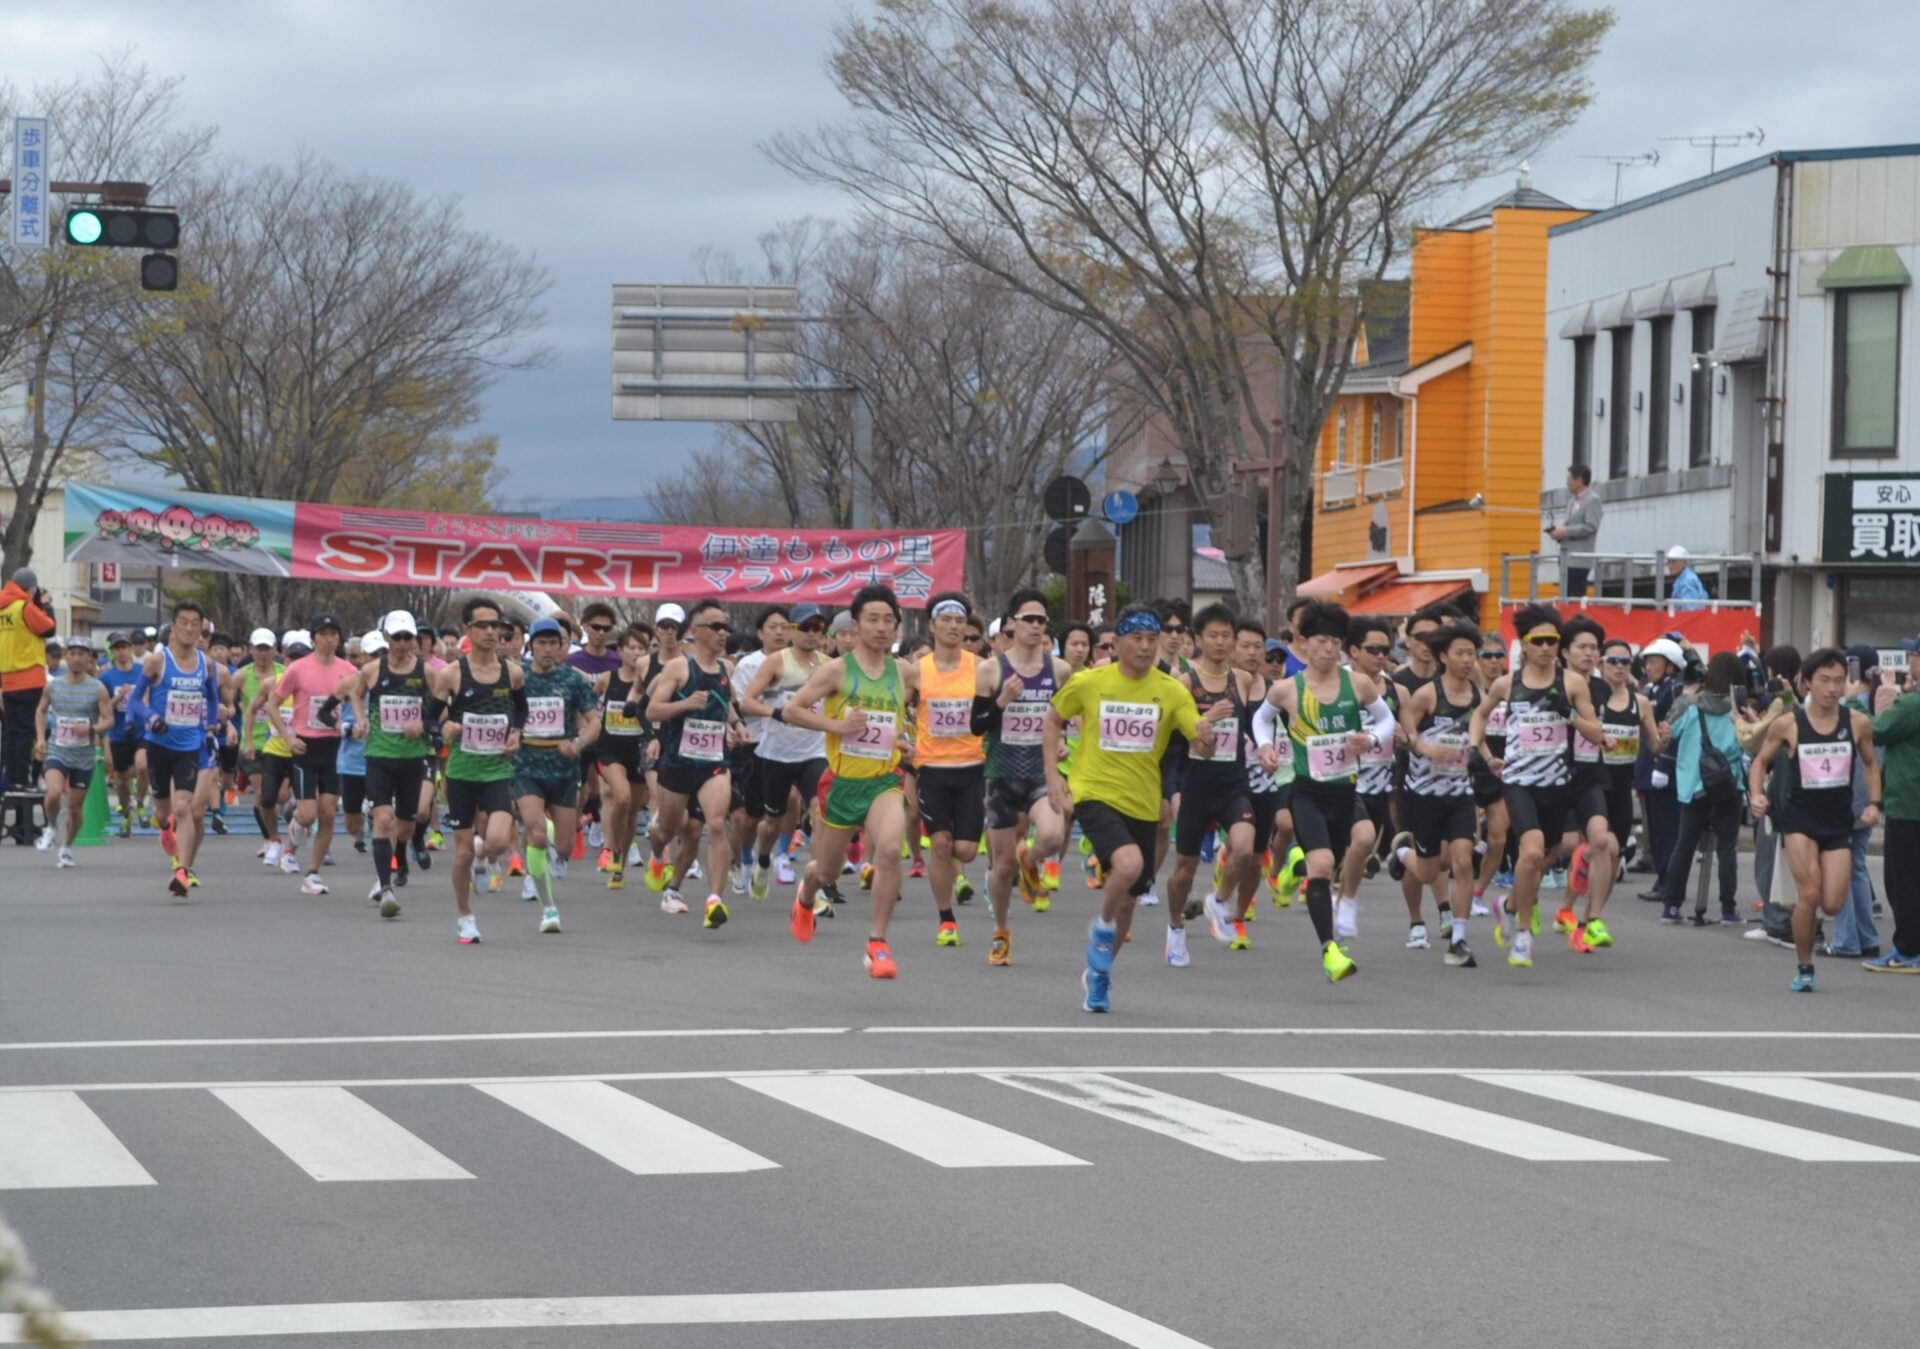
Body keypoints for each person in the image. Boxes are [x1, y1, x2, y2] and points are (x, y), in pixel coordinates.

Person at [1044, 604, 1215, 1011]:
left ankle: (1099, 977)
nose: (1144, 646)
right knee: (1129, 865)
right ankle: (1102, 928)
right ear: (1117, 642)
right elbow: (1052, 721)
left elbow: (1200, 745)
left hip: (1142, 802)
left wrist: (1207, 738)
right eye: (1136, 638)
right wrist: (1053, 777)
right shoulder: (1089, 682)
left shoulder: (1171, 690)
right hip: (1094, 792)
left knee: (1129, 898)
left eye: (1151, 639)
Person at [778, 584, 921, 978]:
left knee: (889, 849)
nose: (881, 627)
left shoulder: (904, 672)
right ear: (855, 626)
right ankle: (806, 896)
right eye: (873, 619)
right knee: (825, 871)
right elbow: (792, 710)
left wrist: (908, 742)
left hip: (884, 781)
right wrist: (837, 726)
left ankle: (877, 943)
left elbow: (910, 714)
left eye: (888, 620)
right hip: (842, 784)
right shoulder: (837, 670)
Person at [1252, 599, 1396, 983]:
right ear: (1303, 643)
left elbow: (1386, 720)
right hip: (1307, 793)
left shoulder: (1357, 683)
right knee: (1321, 865)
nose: (1329, 649)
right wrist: (1265, 748)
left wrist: (1371, 738)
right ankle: (1329, 950)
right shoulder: (1288, 689)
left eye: (1335, 642)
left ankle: (1300, 875)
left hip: (1346, 790)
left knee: (1361, 840)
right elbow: (1261, 720)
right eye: (1321, 641)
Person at [1467, 603, 1610, 969]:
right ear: (1525, 644)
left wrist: (1569, 714)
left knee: (1542, 859)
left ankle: (1508, 905)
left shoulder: (1572, 683)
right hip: (1518, 782)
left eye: (1552, 640)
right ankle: (1523, 933)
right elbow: (1479, 715)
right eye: (1539, 641)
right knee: (1530, 853)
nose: (1546, 647)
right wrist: (1480, 750)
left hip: (1558, 785)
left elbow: (1596, 735)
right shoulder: (1507, 684)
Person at [1747, 648, 1883, 993]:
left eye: (1838, 681)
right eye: (1824, 680)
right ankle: (1805, 967)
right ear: (1807, 683)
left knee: (1833, 902)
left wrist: (1874, 803)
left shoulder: (1857, 722)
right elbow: (1760, 762)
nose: (1832, 688)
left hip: (1837, 820)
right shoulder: (1789, 724)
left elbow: (1870, 764)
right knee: (1808, 892)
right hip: (1800, 819)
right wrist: (1757, 795)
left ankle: (1808, 924)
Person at [980, 589, 1075, 966]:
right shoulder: (991, 670)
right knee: (1002, 867)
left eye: (1041, 621)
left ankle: (1030, 859)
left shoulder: (1060, 670)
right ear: (1012, 624)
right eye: (1028, 619)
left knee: (1052, 834)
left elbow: (1060, 718)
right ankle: (1001, 931)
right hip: (1000, 775)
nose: (1036, 626)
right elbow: (976, 726)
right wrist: (1001, 701)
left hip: (1040, 771)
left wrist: (1061, 741)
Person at [644, 599, 750, 929]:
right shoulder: (679, 668)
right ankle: (657, 855)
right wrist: (686, 704)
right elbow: (652, 711)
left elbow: (724, 703)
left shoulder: (726, 669)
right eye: (715, 627)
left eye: (726, 627)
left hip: (713, 762)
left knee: (715, 824)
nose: (723, 633)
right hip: (677, 763)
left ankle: (714, 900)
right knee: (668, 830)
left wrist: (737, 724)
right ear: (695, 631)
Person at [1165, 603, 1259, 963]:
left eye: (1226, 636)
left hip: (1233, 784)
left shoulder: (1242, 680)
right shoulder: (1186, 682)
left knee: (1244, 848)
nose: (1220, 642)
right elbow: (1176, 732)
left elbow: (1253, 724)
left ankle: (1218, 901)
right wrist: (1206, 720)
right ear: (1199, 639)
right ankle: (1175, 928)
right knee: (1184, 870)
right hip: (1196, 786)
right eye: (1213, 636)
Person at [431, 596, 527, 945]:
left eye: (495, 625)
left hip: (496, 769)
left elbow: (521, 711)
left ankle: (483, 856)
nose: (490, 631)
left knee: (498, 840)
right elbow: (430, 716)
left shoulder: (512, 672)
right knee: (462, 852)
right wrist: (444, 728)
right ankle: (464, 915)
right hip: (461, 772)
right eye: (482, 625)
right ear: (468, 630)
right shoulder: (452, 674)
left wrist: (516, 734)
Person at [1395, 623, 1484, 966]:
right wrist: (1427, 748)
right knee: (1430, 872)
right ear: (1443, 657)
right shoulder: (1427, 695)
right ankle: (1402, 853)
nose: (1466, 659)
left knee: (1462, 861)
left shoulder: (1477, 695)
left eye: (1471, 653)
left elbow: (1478, 737)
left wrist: (1489, 758)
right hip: (1424, 794)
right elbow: (1407, 734)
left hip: (1460, 792)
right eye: (1459, 653)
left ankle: (1458, 939)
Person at [337, 611, 435, 919]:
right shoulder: (372, 670)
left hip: (412, 758)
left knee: (405, 827)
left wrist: (423, 724)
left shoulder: (426, 671)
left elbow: (442, 707)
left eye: (408, 637)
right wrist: (361, 720)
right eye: (397, 637)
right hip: (379, 755)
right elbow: (355, 693)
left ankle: (401, 853)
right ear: (387, 638)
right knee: (382, 819)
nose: (403, 643)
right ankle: (385, 887)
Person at [511, 616, 602, 933]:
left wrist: (577, 744)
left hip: (563, 768)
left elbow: (594, 722)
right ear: (532, 646)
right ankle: (548, 908)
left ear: (562, 646)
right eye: (542, 643)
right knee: (535, 831)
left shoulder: (573, 680)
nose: (548, 649)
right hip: (526, 765)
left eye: (554, 643)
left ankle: (546, 847)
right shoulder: (517, 677)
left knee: (563, 847)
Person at [128, 602, 223, 897]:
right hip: (159, 745)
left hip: (189, 746)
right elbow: (134, 701)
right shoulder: (157, 661)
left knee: (184, 807)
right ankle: (164, 827)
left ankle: (182, 871)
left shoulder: (206, 664)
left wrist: (210, 727)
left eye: (196, 623)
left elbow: (212, 699)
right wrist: (151, 718)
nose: (190, 628)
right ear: (174, 626)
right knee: (163, 811)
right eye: (184, 622)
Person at [739, 603, 830, 897]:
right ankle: (764, 860)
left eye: (817, 627)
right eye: (805, 627)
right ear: (792, 630)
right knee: (771, 825)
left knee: (820, 814)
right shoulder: (776, 662)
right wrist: (777, 713)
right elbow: (746, 702)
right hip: (776, 753)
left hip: (815, 753)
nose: (811, 633)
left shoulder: (830, 665)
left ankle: (816, 887)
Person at [1654, 652, 1747, 926]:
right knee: (1727, 848)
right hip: (1728, 786)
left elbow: (1668, 733)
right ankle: (1728, 909)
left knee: (1684, 844)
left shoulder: (1692, 707)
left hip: (1694, 785)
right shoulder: (1739, 712)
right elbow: (1746, 745)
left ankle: (1672, 906)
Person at [266, 615, 350, 897]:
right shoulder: (298, 669)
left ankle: (312, 873)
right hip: (304, 747)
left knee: (328, 813)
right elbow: (273, 705)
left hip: (333, 748)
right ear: (313, 639)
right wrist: (288, 737)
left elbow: (359, 704)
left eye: (333, 634)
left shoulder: (348, 671)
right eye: (323, 634)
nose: (328, 639)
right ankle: (295, 828)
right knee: (308, 814)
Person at [33, 635, 113, 867]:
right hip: (58, 750)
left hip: (83, 756)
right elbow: (41, 710)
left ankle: (67, 846)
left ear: (89, 659)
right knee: (54, 793)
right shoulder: (53, 686)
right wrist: (41, 738)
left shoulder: (98, 689)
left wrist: (91, 729)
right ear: (66, 656)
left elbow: (109, 720)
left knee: (75, 808)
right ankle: (51, 827)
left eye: (82, 654)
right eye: (73, 654)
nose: (77, 659)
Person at [589, 625, 651, 891]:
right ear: (620, 651)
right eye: (631, 647)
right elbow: (587, 706)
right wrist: (587, 728)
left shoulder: (650, 682)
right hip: (609, 749)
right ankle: (610, 846)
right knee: (621, 797)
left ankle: (620, 864)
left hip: (637, 750)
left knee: (632, 811)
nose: (636, 653)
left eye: (641, 648)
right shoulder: (607, 678)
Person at [1868, 668, 1920, 971]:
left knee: (1903, 882)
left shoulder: (1912, 704)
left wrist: (1862, 698)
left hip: (1907, 803)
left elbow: (1876, 730)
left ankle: (1908, 950)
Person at [0, 568, 58, 814]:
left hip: (7, 680)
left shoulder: (4, 608)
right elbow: (49, 628)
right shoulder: (25, 607)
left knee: (11, 732)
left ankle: (12, 778)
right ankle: (22, 779)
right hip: (29, 678)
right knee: (26, 732)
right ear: (32, 588)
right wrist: (46, 605)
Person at [1634, 636, 1685, 891]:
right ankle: (1662, 878)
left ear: (1671, 665)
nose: (1648, 667)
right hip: (1647, 766)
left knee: (1667, 831)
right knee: (1653, 830)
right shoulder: (1651, 690)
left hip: (1666, 769)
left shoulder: (1675, 690)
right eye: (1647, 663)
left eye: (1654, 662)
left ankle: (1669, 882)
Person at [98, 632, 147, 835]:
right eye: (117, 648)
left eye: (125, 647)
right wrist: (119, 696)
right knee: (121, 781)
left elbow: (149, 697)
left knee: (143, 766)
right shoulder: (107, 677)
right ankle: (126, 814)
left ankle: (141, 804)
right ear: (113, 652)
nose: (122, 652)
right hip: (119, 733)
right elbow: (103, 708)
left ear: (131, 649)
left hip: (141, 730)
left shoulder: (142, 671)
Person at [1549, 464, 1602, 598]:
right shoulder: (1571, 501)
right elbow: (1572, 524)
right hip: (1566, 559)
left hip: (1580, 560)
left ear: (1580, 480)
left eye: (1570, 479)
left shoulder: (1593, 500)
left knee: (1575, 597)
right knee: (1565, 597)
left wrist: (1565, 531)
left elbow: (1590, 527)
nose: (1567, 483)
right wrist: (1558, 534)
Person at [1665, 546, 1709, 611]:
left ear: (1684, 562)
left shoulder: (1687, 582)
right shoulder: (1685, 578)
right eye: (1669, 562)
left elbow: (1689, 611)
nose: (1670, 566)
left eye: (1674, 562)